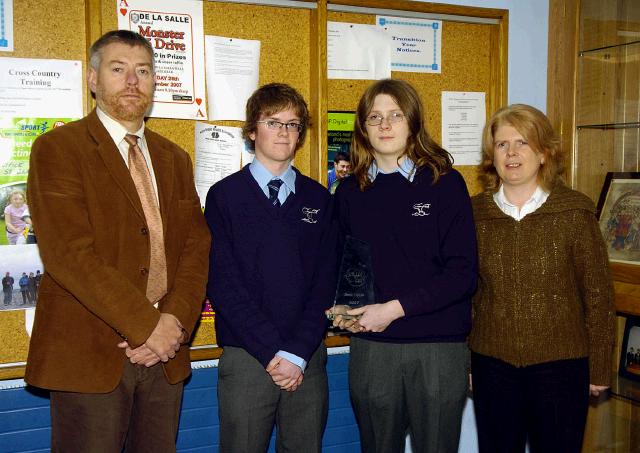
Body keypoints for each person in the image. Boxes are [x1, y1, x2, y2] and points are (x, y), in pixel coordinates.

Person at [25, 30, 210, 452]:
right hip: (89, 355)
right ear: (92, 79)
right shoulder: (58, 149)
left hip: (164, 357)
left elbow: (196, 249)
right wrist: (148, 328)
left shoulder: (174, 158)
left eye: (142, 71)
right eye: (118, 69)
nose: (132, 81)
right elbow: (68, 254)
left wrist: (173, 324)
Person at [328, 79, 477, 453]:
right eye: (375, 117)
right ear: (362, 127)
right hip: (374, 350)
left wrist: (392, 310)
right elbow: (342, 267)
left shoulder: (445, 184)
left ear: (412, 123)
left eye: (395, 115)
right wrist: (342, 308)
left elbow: (462, 274)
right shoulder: (348, 193)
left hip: (437, 350)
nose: (385, 125)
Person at [470, 104, 615, 453]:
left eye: (523, 142)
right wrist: (466, 362)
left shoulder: (575, 212)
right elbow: (467, 296)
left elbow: (598, 296)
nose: (512, 153)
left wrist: (599, 368)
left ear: (544, 152)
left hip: (562, 369)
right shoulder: (473, 214)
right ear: (492, 155)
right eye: (502, 144)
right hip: (493, 366)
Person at [205, 83, 336, 453]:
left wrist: (295, 353)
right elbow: (222, 283)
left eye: (293, 124)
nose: (283, 132)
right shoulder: (224, 196)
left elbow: (325, 282)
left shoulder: (319, 199)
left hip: (306, 357)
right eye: (273, 122)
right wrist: (271, 353)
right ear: (252, 131)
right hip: (247, 357)